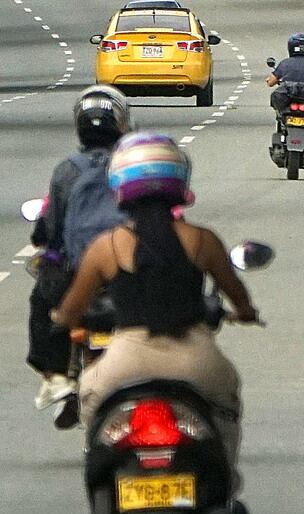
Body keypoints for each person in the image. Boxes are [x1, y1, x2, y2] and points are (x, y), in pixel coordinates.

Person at [53, 136, 258, 458]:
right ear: (179, 182)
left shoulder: (105, 247)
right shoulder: (202, 241)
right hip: (196, 361)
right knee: (225, 409)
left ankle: (101, 471)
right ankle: (224, 477)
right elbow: (237, 295)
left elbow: (72, 308)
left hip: (126, 361)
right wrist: (246, 313)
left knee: (92, 407)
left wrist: (62, 319)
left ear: (119, 185)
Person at [29, 87, 132, 417]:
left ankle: (57, 374)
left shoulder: (67, 170)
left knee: (43, 301)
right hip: (133, 269)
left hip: (79, 273)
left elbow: (50, 229)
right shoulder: (136, 164)